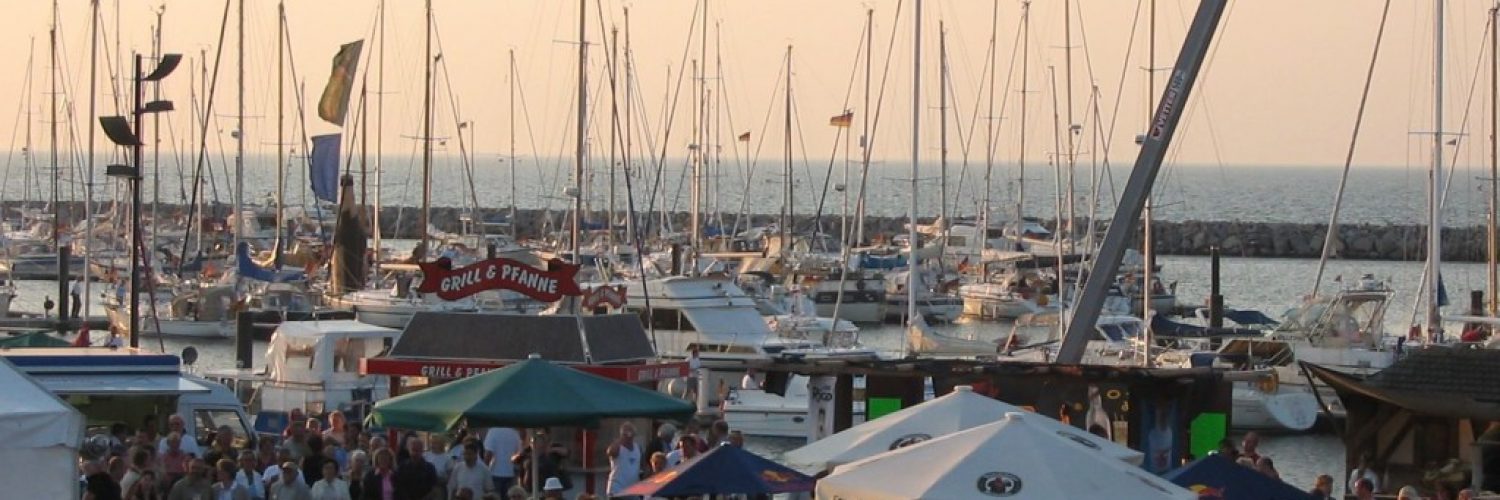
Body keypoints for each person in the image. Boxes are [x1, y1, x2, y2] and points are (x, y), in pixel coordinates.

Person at [606, 422, 642, 498]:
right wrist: (621, 438)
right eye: (626, 434)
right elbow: (610, 452)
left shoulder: (638, 447)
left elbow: (642, 465)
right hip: (617, 489)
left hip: (633, 491)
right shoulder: (617, 447)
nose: (629, 436)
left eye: (631, 433)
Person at [482, 427, 521, 494]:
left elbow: (488, 454)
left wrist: (484, 473)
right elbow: (519, 453)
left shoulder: (492, 431)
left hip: (495, 473)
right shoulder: (514, 432)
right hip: (510, 473)